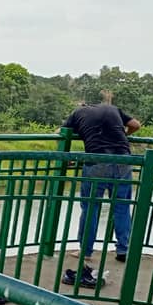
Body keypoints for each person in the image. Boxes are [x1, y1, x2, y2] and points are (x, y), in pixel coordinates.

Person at [63, 100, 141, 263]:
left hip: (97, 160)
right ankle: (123, 250)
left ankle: (86, 251)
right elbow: (136, 125)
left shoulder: (77, 113)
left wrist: (67, 155)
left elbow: (62, 133)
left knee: (91, 207)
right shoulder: (113, 108)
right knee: (122, 206)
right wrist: (125, 135)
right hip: (123, 160)